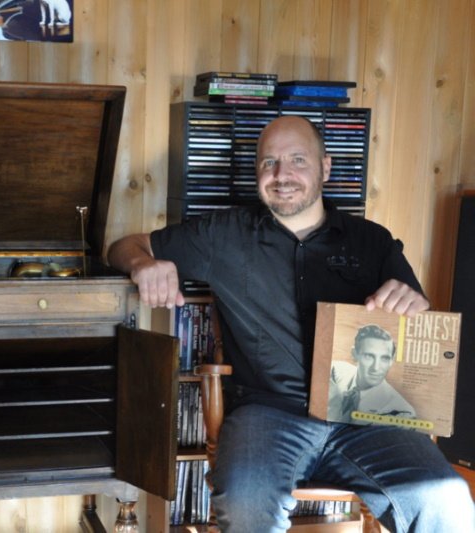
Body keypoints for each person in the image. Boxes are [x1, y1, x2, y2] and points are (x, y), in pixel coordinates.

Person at [107, 115, 475, 532]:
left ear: (325, 167)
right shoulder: (223, 235)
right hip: (267, 415)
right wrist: (142, 264)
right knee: (246, 502)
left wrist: (414, 304)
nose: (282, 175)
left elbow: (417, 323)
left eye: (298, 160)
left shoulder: (372, 240)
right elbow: (124, 246)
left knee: (447, 499)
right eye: (270, 162)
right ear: (257, 172)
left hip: (366, 419)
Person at [328, 324, 415, 424]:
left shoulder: (402, 413)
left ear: (391, 361)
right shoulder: (335, 372)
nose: (376, 368)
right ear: (354, 354)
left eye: (384, 358)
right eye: (369, 356)